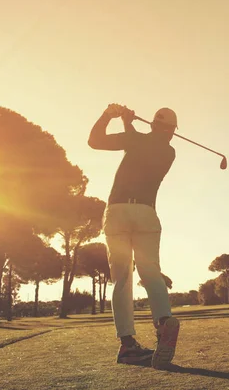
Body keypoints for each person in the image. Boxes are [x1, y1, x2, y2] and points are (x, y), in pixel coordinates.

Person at [88, 103, 180, 368]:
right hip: (145, 212)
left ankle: (127, 345)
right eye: (171, 129)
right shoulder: (168, 151)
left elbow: (95, 141)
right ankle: (163, 323)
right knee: (150, 271)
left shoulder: (139, 139)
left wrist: (110, 115)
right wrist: (129, 124)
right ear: (171, 130)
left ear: (153, 124)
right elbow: (140, 144)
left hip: (117, 211)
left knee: (122, 279)